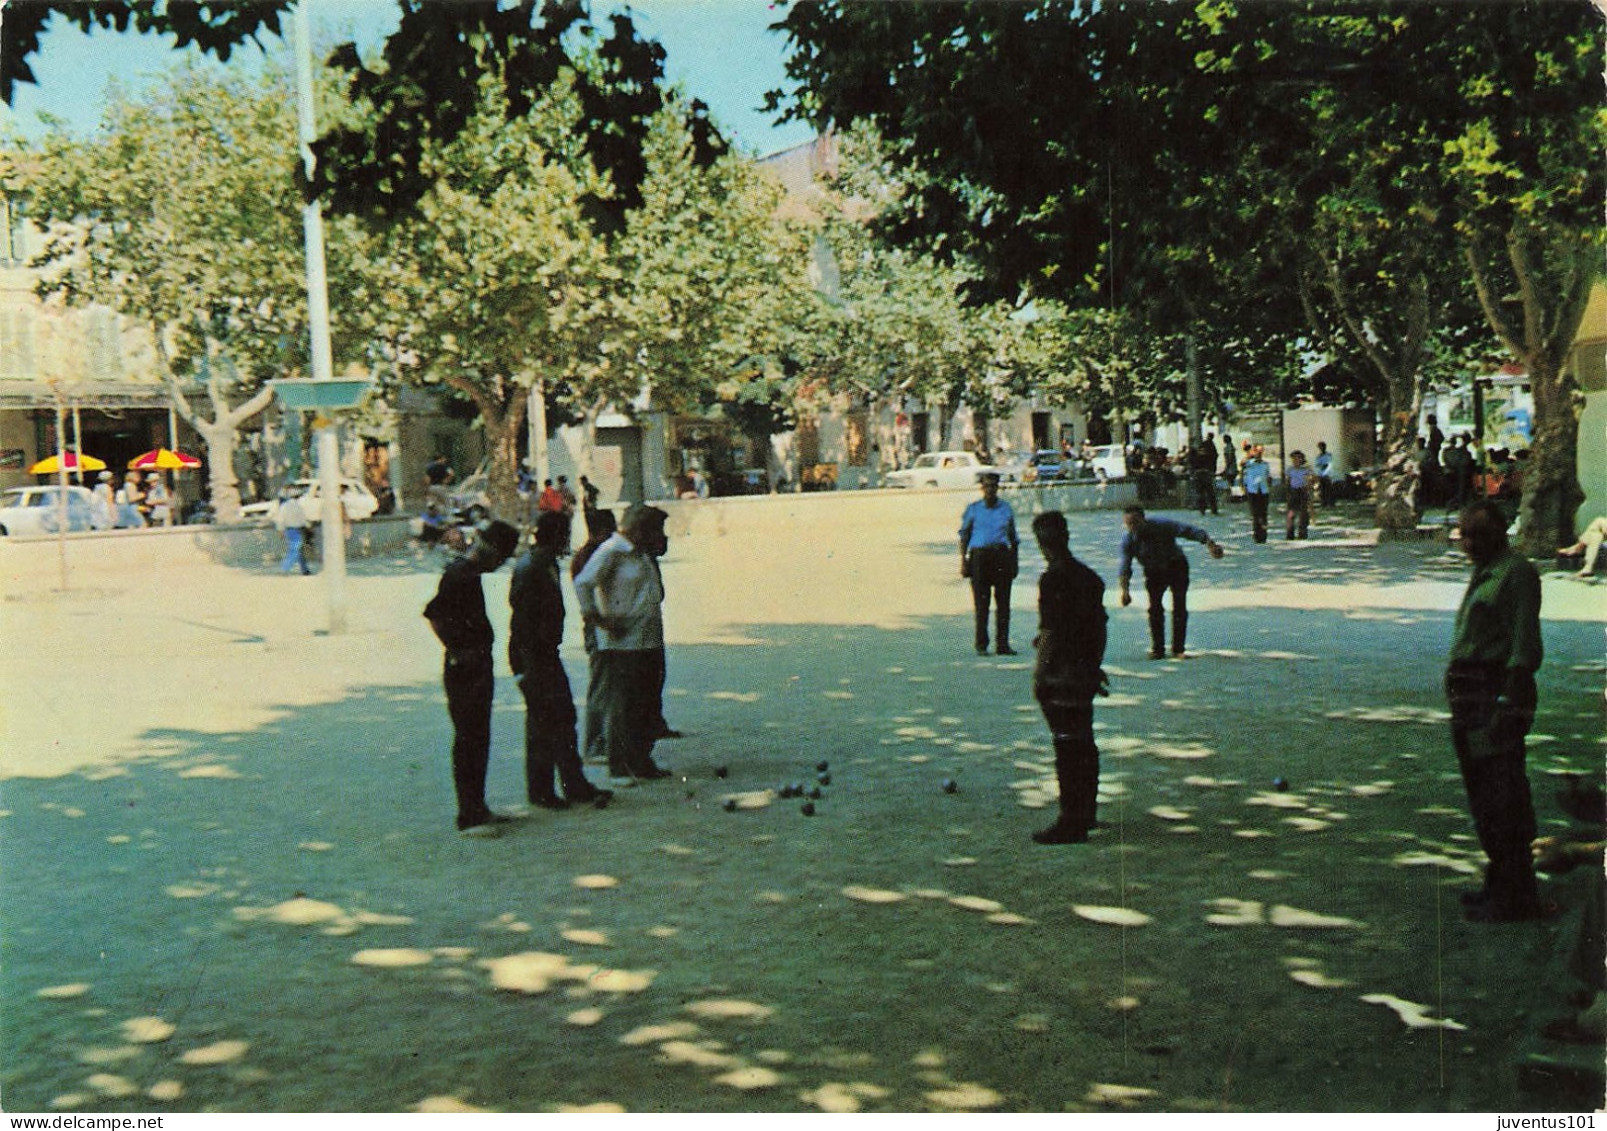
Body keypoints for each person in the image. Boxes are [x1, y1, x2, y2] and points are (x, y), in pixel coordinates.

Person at [1445, 500, 1546, 922]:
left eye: (1478, 535)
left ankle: (1517, 893)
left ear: (1500, 533)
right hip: (1470, 697)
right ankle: (1498, 880)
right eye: (1464, 535)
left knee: (1504, 796)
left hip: (1494, 696)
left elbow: (1524, 644)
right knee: (1483, 796)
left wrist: (1509, 702)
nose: (1469, 544)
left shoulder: (1516, 572)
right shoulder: (1484, 570)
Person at [423, 520, 523, 837]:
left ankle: (478, 806)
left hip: (478, 662)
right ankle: (468, 814)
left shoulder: (470, 575)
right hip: (464, 666)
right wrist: (456, 649)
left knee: (479, 736)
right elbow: (434, 615)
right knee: (468, 737)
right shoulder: (458, 575)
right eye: (501, 557)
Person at [509, 511, 611, 810]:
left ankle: (571, 783)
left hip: (543, 653)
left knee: (561, 719)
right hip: (535, 656)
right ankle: (544, 790)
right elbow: (523, 622)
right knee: (545, 722)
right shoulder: (533, 567)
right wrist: (527, 666)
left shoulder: (543, 563)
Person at [573, 504, 674, 785]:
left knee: (645, 701)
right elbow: (583, 583)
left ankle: (641, 759)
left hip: (648, 637)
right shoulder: (612, 551)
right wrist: (597, 618)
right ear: (639, 529)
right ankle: (618, 765)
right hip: (623, 642)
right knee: (623, 705)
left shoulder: (642, 553)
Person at [1028, 511, 1110, 845]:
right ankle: (1086, 811)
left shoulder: (1052, 580)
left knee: (1066, 746)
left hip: (1062, 673)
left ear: (1041, 544)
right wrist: (1094, 664)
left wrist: (1039, 673)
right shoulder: (1089, 578)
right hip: (1085, 670)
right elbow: (1100, 627)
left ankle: (1070, 819)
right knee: (1084, 741)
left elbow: (1049, 633)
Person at [1118, 505, 1223, 660]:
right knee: (1154, 609)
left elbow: (1188, 531)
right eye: (1128, 524)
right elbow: (1125, 567)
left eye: (1135, 523)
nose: (1132, 528)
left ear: (1143, 519)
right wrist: (1125, 591)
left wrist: (1210, 544)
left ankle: (1178, 649)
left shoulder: (1161, 525)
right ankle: (1158, 649)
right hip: (1153, 571)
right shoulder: (1129, 540)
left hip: (1176, 565)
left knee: (1179, 606)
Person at [958, 471, 1019, 655]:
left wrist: (1014, 562)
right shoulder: (974, 509)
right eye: (987, 486)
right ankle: (981, 644)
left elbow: (1013, 538)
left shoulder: (1006, 509)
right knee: (981, 604)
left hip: (1001, 556)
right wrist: (963, 561)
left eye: (994, 486)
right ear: (982, 488)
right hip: (980, 559)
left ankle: (1003, 644)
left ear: (998, 488)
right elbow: (964, 536)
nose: (990, 490)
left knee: (1003, 604)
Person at [274, 488, 312, 575]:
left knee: (297, 550)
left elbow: (280, 519)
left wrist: (280, 530)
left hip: (289, 529)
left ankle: (304, 569)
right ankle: (285, 568)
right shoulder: (299, 506)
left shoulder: (284, 506)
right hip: (298, 529)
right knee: (295, 549)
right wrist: (308, 526)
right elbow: (303, 519)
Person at [1241, 445, 1271, 543]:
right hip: (1253, 491)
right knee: (1255, 514)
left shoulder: (1265, 464)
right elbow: (1242, 466)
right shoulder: (1249, 463)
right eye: (1257, 452)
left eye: (1260, 452)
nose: (1258, 454)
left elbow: (1268, 476)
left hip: (1263, 491)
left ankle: (1263, 535)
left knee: (1263, 513)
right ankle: (1257, 535)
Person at [1284, 450, 1314, 540]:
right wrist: (1288, 492)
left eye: (1297, 458)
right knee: (1291, 514)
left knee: (1303, 514)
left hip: (1303, 491)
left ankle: (1302, 533)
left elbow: (1312, 480)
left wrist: (1310, 487)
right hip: (1293, 491)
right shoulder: (1290, 469)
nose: (1295, 460)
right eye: (1293, 459)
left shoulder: (1306, 469)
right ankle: (1290, 534)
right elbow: (1288, 481)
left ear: (1301, 459)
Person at [1190, 435, 1219, 516]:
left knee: (1202, 493)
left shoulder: (1195, 455)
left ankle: (1203, 509)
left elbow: (1192, 465)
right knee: (1209, 492)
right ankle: (1213, 509)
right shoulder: (1208, 455)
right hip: (1205, 474)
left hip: (1200, 475)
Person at [1313, 442, 1335, 508]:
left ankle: (1331, 503)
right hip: (1321, 475)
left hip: (1327, 474)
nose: (1321, 448)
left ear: (1325, 447)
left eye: (1322, 446)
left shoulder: (1328, 455)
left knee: (1329, 490)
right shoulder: (1318, 457)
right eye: (1320, 447)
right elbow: (1317, 465)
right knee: (1322, 490)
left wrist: (1322, 465)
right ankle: (1324, 503)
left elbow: (1329, 464)